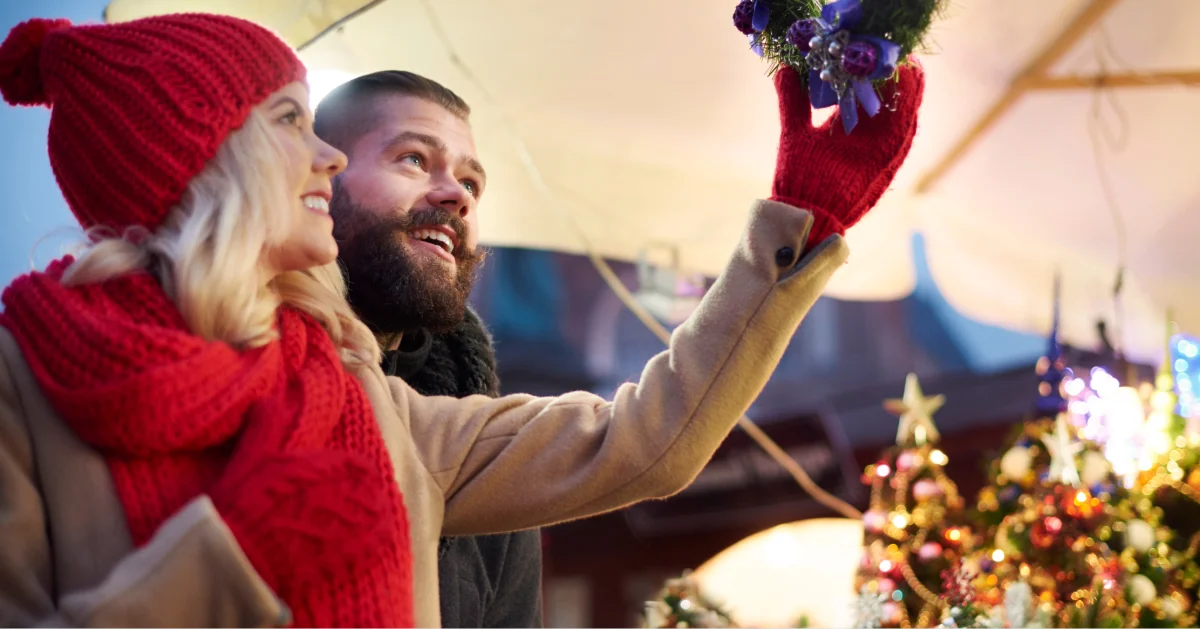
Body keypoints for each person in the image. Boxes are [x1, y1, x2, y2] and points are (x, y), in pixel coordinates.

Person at [0, 12, 922, 629]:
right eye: (290, 120)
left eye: (472, 180)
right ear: (206, 151)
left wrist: (803, 218)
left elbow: (643, 441)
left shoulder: (365, 397)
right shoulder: (22, 382)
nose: (318, 153)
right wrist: (234, 558)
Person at [314, 71, 543, 629]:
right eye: (414, 158)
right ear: (319, 181)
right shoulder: (230, 367)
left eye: (472, 183)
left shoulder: (483, 450)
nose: (457, 196)